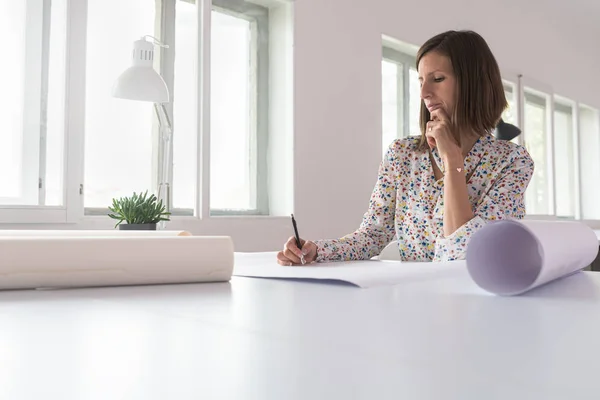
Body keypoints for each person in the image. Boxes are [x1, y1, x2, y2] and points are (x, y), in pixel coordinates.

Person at [277, 29, 534, 266]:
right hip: (411, 301)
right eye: (421, 80)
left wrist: (452, 159)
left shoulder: (512, 162)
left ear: (473, 83)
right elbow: (372, 236)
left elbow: (465, 252)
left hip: (479, 302)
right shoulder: (402, 153)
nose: (423, 92)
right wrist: (317, 250)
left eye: (438, 79)